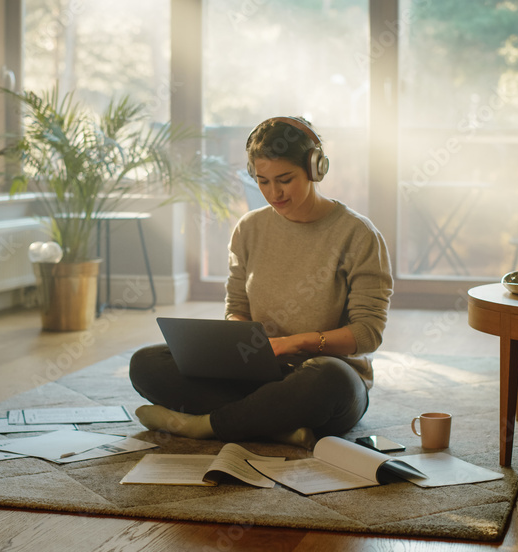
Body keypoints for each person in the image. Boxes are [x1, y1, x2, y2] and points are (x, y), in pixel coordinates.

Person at [128, 116, 393, 449]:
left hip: (320, 379)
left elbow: (368, 334)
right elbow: (236, 308)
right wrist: (239, 341)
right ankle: (272, 426)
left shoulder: (358, 234)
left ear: (315, 168)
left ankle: (205, 425)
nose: (274, 193)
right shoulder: (249, 228)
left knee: (331, 379)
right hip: (256, 374)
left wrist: (293, 344)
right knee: (147, 364)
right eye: (263, 181)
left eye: (285, 179)